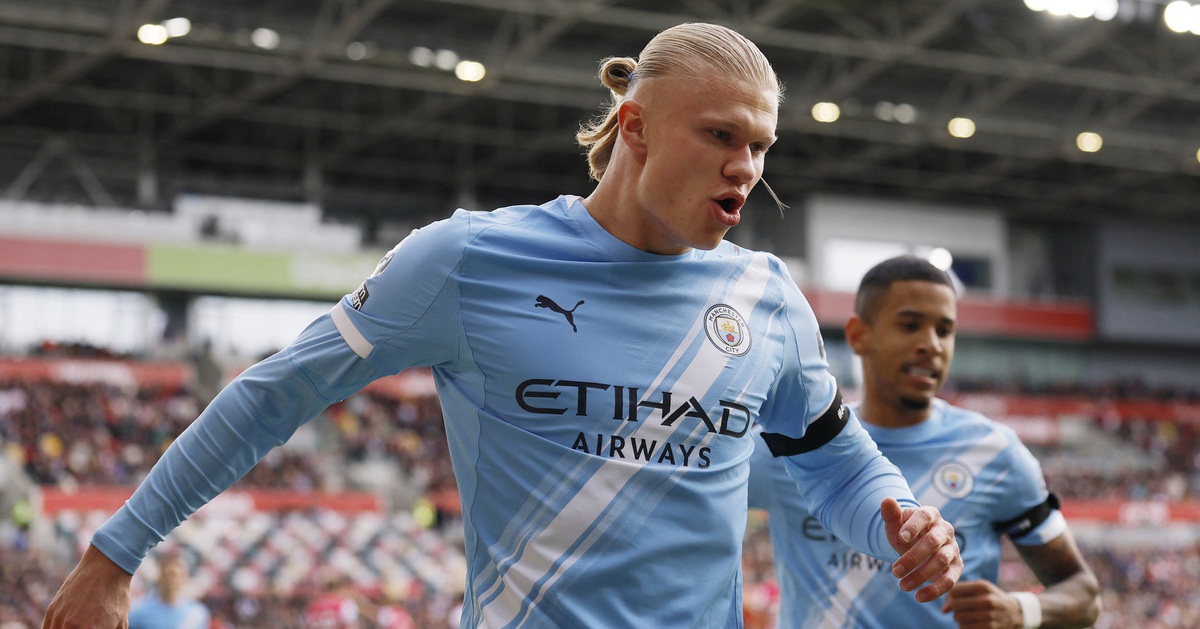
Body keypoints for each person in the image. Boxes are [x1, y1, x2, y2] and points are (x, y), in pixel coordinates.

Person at [42, 23, 963, 629]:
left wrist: (904, 522)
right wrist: (116, 551)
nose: (746, 168)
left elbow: (838, 464)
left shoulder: (767, 297)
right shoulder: (470, 259)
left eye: (760, 146)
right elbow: (275, 393)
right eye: (721, 135)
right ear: (635, 127)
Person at [748, 255, 1101, 628]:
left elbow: (1085, 594)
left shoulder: (996, 453)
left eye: (944, 330)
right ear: (858, 335)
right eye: (910, 325)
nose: (932, 344)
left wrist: (1021, 610)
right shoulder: (797, 442)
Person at [126, 553, 210, 629]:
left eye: (177, 575)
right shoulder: (141, 610)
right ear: (160, 577)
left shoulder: (197, 614)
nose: (172, 581)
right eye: (168, 575)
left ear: (186, 578)